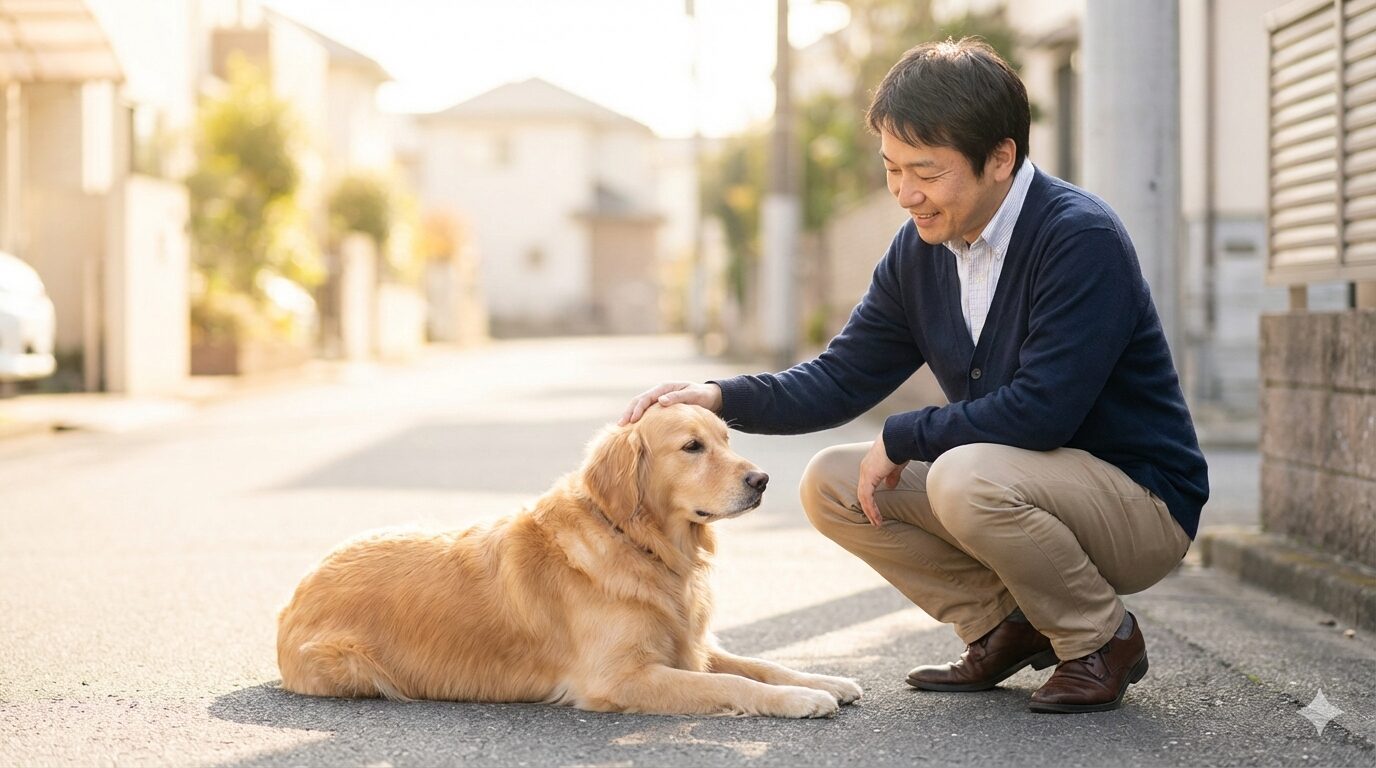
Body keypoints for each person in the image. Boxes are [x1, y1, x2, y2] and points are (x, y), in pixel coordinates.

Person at [620, 37, 1207, 714]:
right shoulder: (923, 249)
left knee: (961, 475)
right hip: (1026, 484)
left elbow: (1044, 411)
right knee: (833, 483)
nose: (905, 193)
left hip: (1140, 502)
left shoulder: (1078, 237)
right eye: (893, 169)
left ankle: (1101, 640)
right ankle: (1002, 625)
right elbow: (842, 377)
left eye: (924, 172)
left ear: (1000, 160)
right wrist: (717, 395)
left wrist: (902, 436)